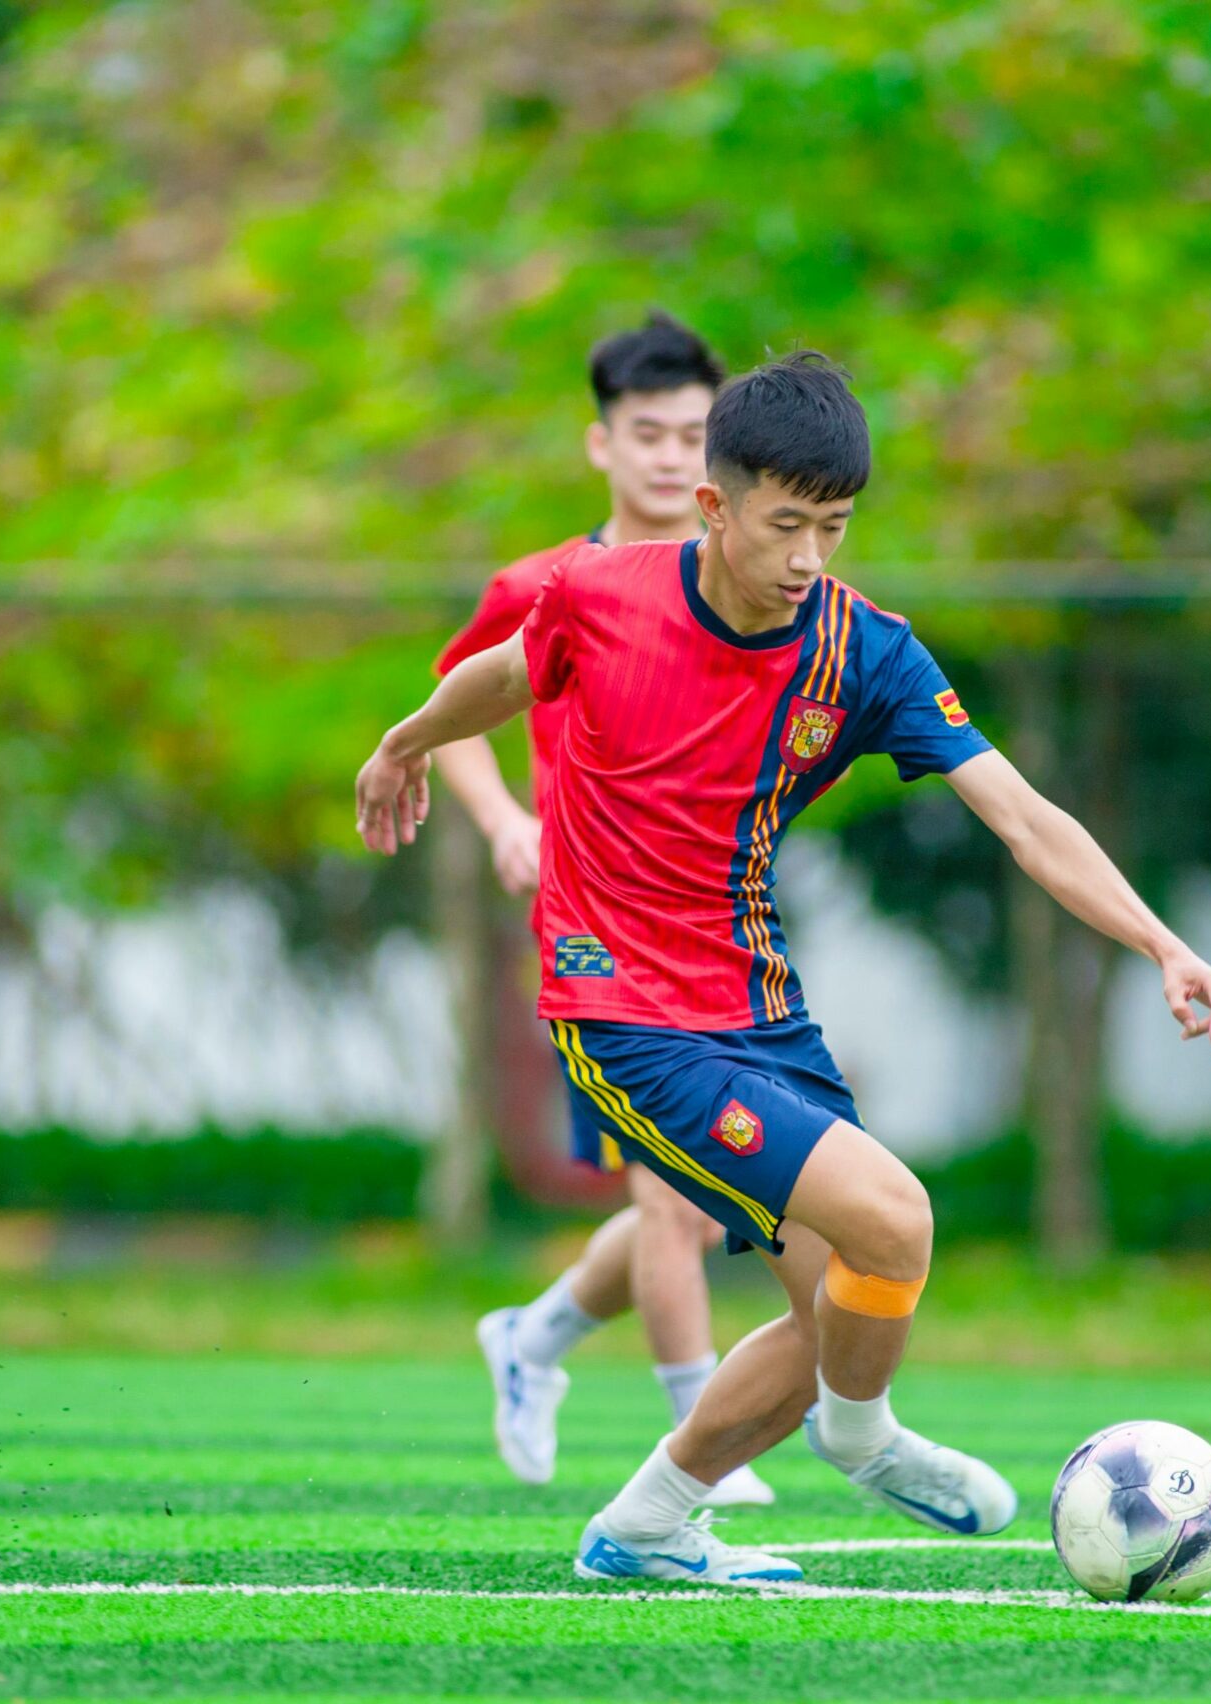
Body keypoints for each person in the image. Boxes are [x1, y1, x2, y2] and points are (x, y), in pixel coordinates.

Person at [355, 353, 1211, 1587]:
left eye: (834, 525)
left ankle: (649, 1526)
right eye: (787, 524)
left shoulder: (860, 652)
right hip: (622, 1014)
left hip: (760, 1012)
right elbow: (502, 672)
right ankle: (861, 1435)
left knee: (838, 1299)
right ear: (713, 510)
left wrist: (1163, 943)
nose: (811, 554)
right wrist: (404, 745)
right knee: (898, 1220)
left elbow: (1022, 816)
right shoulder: (593, 594)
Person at [432, 312, 772, 1507]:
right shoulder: (543, 585)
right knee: (678, 1201)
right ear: (600, 443)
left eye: (696, 434)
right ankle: (705, 1444)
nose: (675, 458)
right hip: (593, 934)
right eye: (649, 434)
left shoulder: (750, 585)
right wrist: (502, 822)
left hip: (718, 932)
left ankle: (531, 1337)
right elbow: (448, 712)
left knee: (721, 1195)